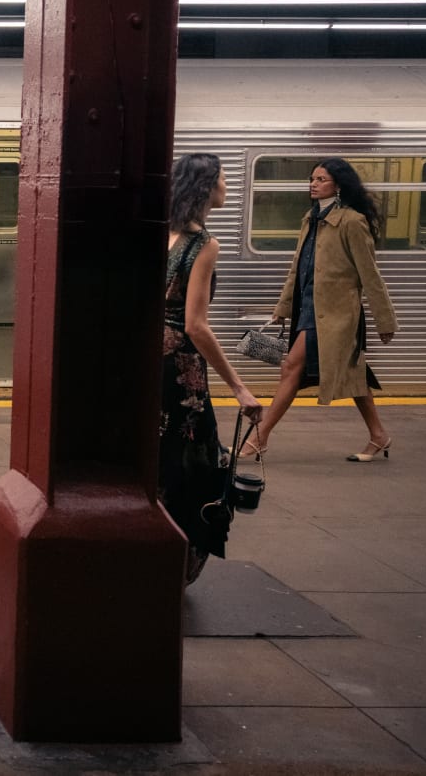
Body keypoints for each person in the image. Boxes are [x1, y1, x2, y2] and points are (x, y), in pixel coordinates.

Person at [247, 158, 398, 462]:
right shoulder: (311, 218)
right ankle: (379, 435)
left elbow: (370, 275)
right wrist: (282, 307)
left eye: (321, 179)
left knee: (291, 367)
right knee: (353, 374)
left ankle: (258, 438)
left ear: (338, 185)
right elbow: (298, 267)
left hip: (336, 314)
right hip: (308, 308)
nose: (313, 184)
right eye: (312, 179)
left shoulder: (352, 222)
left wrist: (385, 320)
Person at [160, 154, 264, 583]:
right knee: (194, 464)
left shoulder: (161, 233)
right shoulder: (203, 244)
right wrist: (239, 387)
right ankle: (178, 563)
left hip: (151, 367)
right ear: (204, 188)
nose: (226, 187)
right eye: (222, 179)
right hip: (183, 371)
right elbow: (196, 326)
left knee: (157, 460)